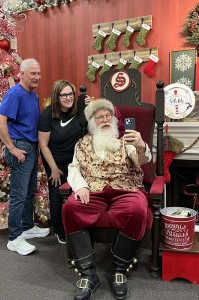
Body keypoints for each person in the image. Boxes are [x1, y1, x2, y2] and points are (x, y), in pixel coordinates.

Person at [62, 98, 152, 300]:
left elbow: (142, 160)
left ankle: (119, 269)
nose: (104, 120)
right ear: (92, 122)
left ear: (113, 118)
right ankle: (88, 274)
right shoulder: (82, 143)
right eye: (99, 117)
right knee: (70, 207)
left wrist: (140, 145)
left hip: (125, 189)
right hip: (93, 191)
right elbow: (74, 168)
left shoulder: (126, 140)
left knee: (138, 208)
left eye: (107, 116)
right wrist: (81, 185)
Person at [0, 58, 49, 256]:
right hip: (21, 147)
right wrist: (12, 148)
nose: (37, 77)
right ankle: (14, 238)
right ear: (22, 74)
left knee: (28, 191)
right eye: (33, 73)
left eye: (39, 73)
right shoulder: (15, 93)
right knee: (18, 194)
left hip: (32, 147)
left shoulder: (32, 96)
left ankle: (26, 227)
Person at [38, 79, 91, 244]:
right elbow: (43, 145)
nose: (68, 97)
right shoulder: (48, 114)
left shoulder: (79, 110)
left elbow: (96, 120)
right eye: (64, 95)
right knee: (56, 195)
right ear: (57, 96)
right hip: (54, 161)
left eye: (71, 94)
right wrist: (53, 168)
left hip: (75, 161)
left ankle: (79, 227)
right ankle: (59, 230)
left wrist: (90, 105)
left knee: (78, 190)